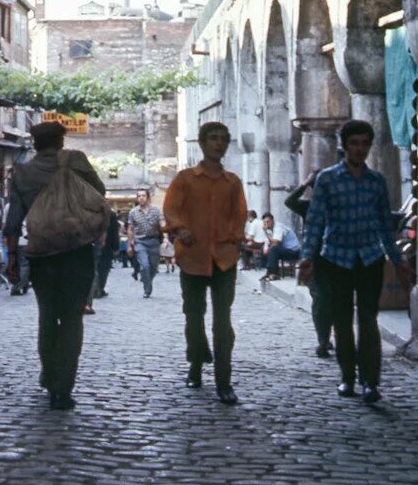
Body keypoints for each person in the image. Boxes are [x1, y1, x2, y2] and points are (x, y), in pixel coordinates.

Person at [4, 120, 107, 411]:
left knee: (47, 317)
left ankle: (50, 376)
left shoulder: (22, 173)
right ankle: (64, 387)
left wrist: (12, 258)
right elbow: (99, 195)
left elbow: (13, 221)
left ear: (34, 143)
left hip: (42, 253)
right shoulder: (76, 161)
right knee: (73, 319)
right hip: (76, 251)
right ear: (61, 142)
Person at [299, 120, 400, 404]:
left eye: (364, 144)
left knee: (368, 320)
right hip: (336, 259)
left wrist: (398, 260)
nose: (359, 149)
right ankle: (347, 378)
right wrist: (307, 258)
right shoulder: (328, 180)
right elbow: (316, 221)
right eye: (354, 143)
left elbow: (385, 225)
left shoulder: (376, 181)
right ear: (344, 146)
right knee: (342, 321)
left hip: (369, 258)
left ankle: (371, 382)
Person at [162, 122, 247, 405]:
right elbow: (171, 209)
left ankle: (224, 380)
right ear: (201, 143)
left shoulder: (233, 182)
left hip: (223, 259)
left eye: (223, 139)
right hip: (192, 258)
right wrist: (179, 228)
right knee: (193, 316)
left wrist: (235, 238)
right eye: (213, 138)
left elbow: (239, 215)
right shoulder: (185, 179)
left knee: (223, 320)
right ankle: (196, 364)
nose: (218, 144)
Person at [284, 169, 332, 357]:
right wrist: (304, 184)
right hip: (314, 260)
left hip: (336, 258)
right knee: (320, 300)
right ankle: (323, 340)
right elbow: (289, 202)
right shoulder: (308, 205)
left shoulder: (337, 204)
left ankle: (332, 337)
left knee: (335, 300)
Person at [126, 188, 164, 299]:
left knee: (153, 267)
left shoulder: (156, 211)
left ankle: (147, 279)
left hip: (154, 242)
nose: (141, 198)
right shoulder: (133, 212)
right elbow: (130, 228)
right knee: (144, 266)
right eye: (139, 196)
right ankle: (147, 289)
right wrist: (129, 244)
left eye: (143, 195)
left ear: (148, 198)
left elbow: (162, 224)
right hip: (140, 242)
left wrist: (165, 238)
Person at [85, 209, 121, 314]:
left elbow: (112, 230)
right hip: (90, 242)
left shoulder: (108, 212)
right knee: (93, 269)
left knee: (97, 269)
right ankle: (94, 292)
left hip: (101, 244)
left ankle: (94, 293)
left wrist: (115, 246)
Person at [259, 212, 302, 281]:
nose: (266, 224)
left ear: (272, 220)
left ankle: (274, 274)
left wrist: (265, 232)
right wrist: (265, 247)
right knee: (266, 248)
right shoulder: (270, 229)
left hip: (294, 252)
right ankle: (268, 272)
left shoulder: (278, 228)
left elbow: (276, 243)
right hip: (285, 250)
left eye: (268, 221)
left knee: (273, 249)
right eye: (265, 222)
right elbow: (268, 241)